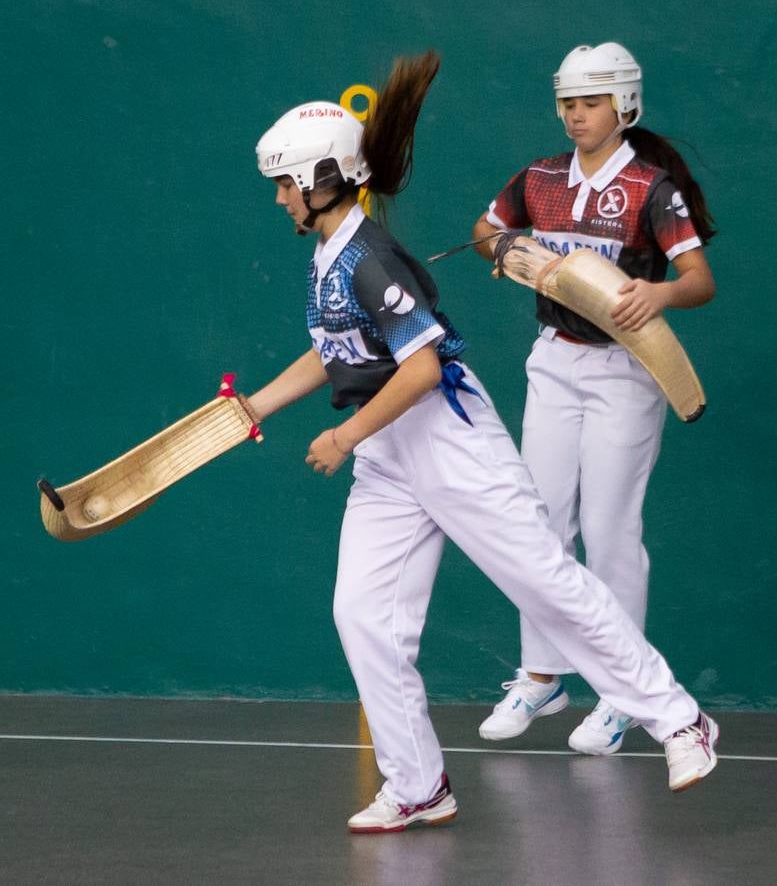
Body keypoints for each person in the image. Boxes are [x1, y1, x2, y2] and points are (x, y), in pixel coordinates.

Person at [246, 50, 718, 834]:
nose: (279, 198)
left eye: (286, 183)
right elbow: (339, 350)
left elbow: (423, 368)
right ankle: (418, 784)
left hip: (443, 436)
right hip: (387, 455)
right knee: (362, 613)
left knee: (545, 580)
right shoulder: (331, 255)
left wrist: (343, 434)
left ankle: (678, 719)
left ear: (324, 176)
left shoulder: (369, 257)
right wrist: (257, 405)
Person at [471, 42, 717, 755]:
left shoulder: (651, 187)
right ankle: (543, 675)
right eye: (569, 103)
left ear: (624, 105)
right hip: (552, 362)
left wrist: (661, 291)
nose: (576, 116)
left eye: (591, 102)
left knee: (611, 530)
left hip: (625, 371)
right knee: (538, 523)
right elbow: (487, 231)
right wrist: (510, 255)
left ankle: (623, 695)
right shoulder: (540, 177)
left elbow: (699, 278)